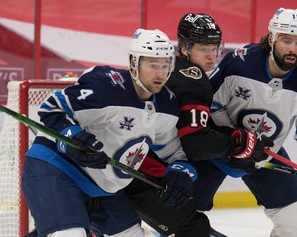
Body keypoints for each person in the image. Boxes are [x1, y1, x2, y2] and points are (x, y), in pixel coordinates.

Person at [21, 28, 210, 237]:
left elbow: (174, 153)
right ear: (134, 64)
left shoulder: (167, 104)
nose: (160, 73)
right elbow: (51, 109)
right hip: (57, 169)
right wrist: (73, 137)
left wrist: (181, 173)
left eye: (166, 65)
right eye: (153, 65)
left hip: (104, 189)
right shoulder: (105, 86)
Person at [207, 7, 297, 237]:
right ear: (271, 39)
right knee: (181, 213)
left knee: (294, 216)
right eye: (286, 40)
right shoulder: (239, 63)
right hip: (217, 149)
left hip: (264, 155)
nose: (293, 49)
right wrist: (231, 139)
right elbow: (211, 104)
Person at [165, 13, 274, 236]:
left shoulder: (170, 66)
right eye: (204, 48)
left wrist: (234, 137)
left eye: (215, 47)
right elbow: (195, 141)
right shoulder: (193, 78)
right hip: (163, 166)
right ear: (185, 47)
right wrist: (235, 143)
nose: (212, 55)